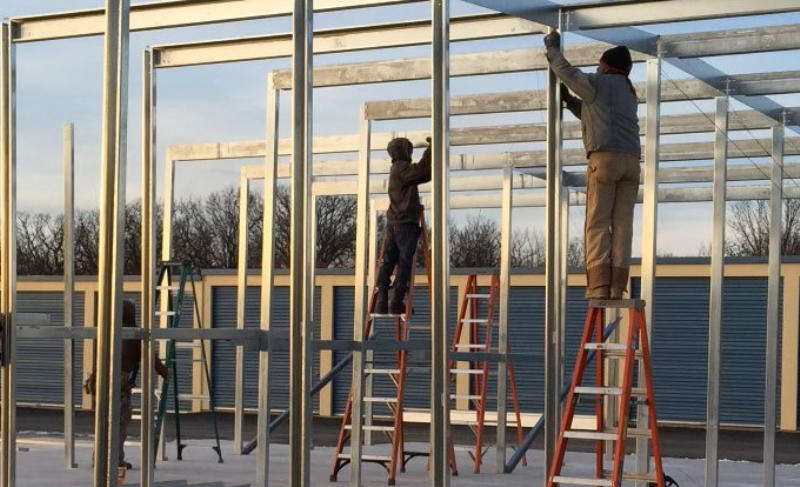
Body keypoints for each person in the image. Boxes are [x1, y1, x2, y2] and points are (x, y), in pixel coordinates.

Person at [544, 31, 641, 300]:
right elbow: (596, 112)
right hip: (631, 164)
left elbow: (568, 73)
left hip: (605, 161)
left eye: (599, 65)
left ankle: (598, 285)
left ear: (606, 66)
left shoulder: (599, 82)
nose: (596, 68)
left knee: (597, 222)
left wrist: (552, 50)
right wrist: (570, 102)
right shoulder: (628, 91)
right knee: (622, 225)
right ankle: (616, 286)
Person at [85, 299, 169, 471]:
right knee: (119, 422)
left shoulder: (109, 331)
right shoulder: (132, 334)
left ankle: (99, 458)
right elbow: (150, 357)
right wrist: (165, 372)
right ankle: (115, 460)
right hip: (119, 380)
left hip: (100, 378)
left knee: (104, 421)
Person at [375, 136, 432, 315]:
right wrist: (432, 149)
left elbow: (423, 174)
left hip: (394, 223)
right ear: (403, 152)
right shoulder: (401, 168)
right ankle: (397, 301)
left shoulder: (395, 169)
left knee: (389, 261)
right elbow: (423, 171)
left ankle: (382, 300)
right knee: (405, 262)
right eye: (409, 150)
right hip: (405, 223)